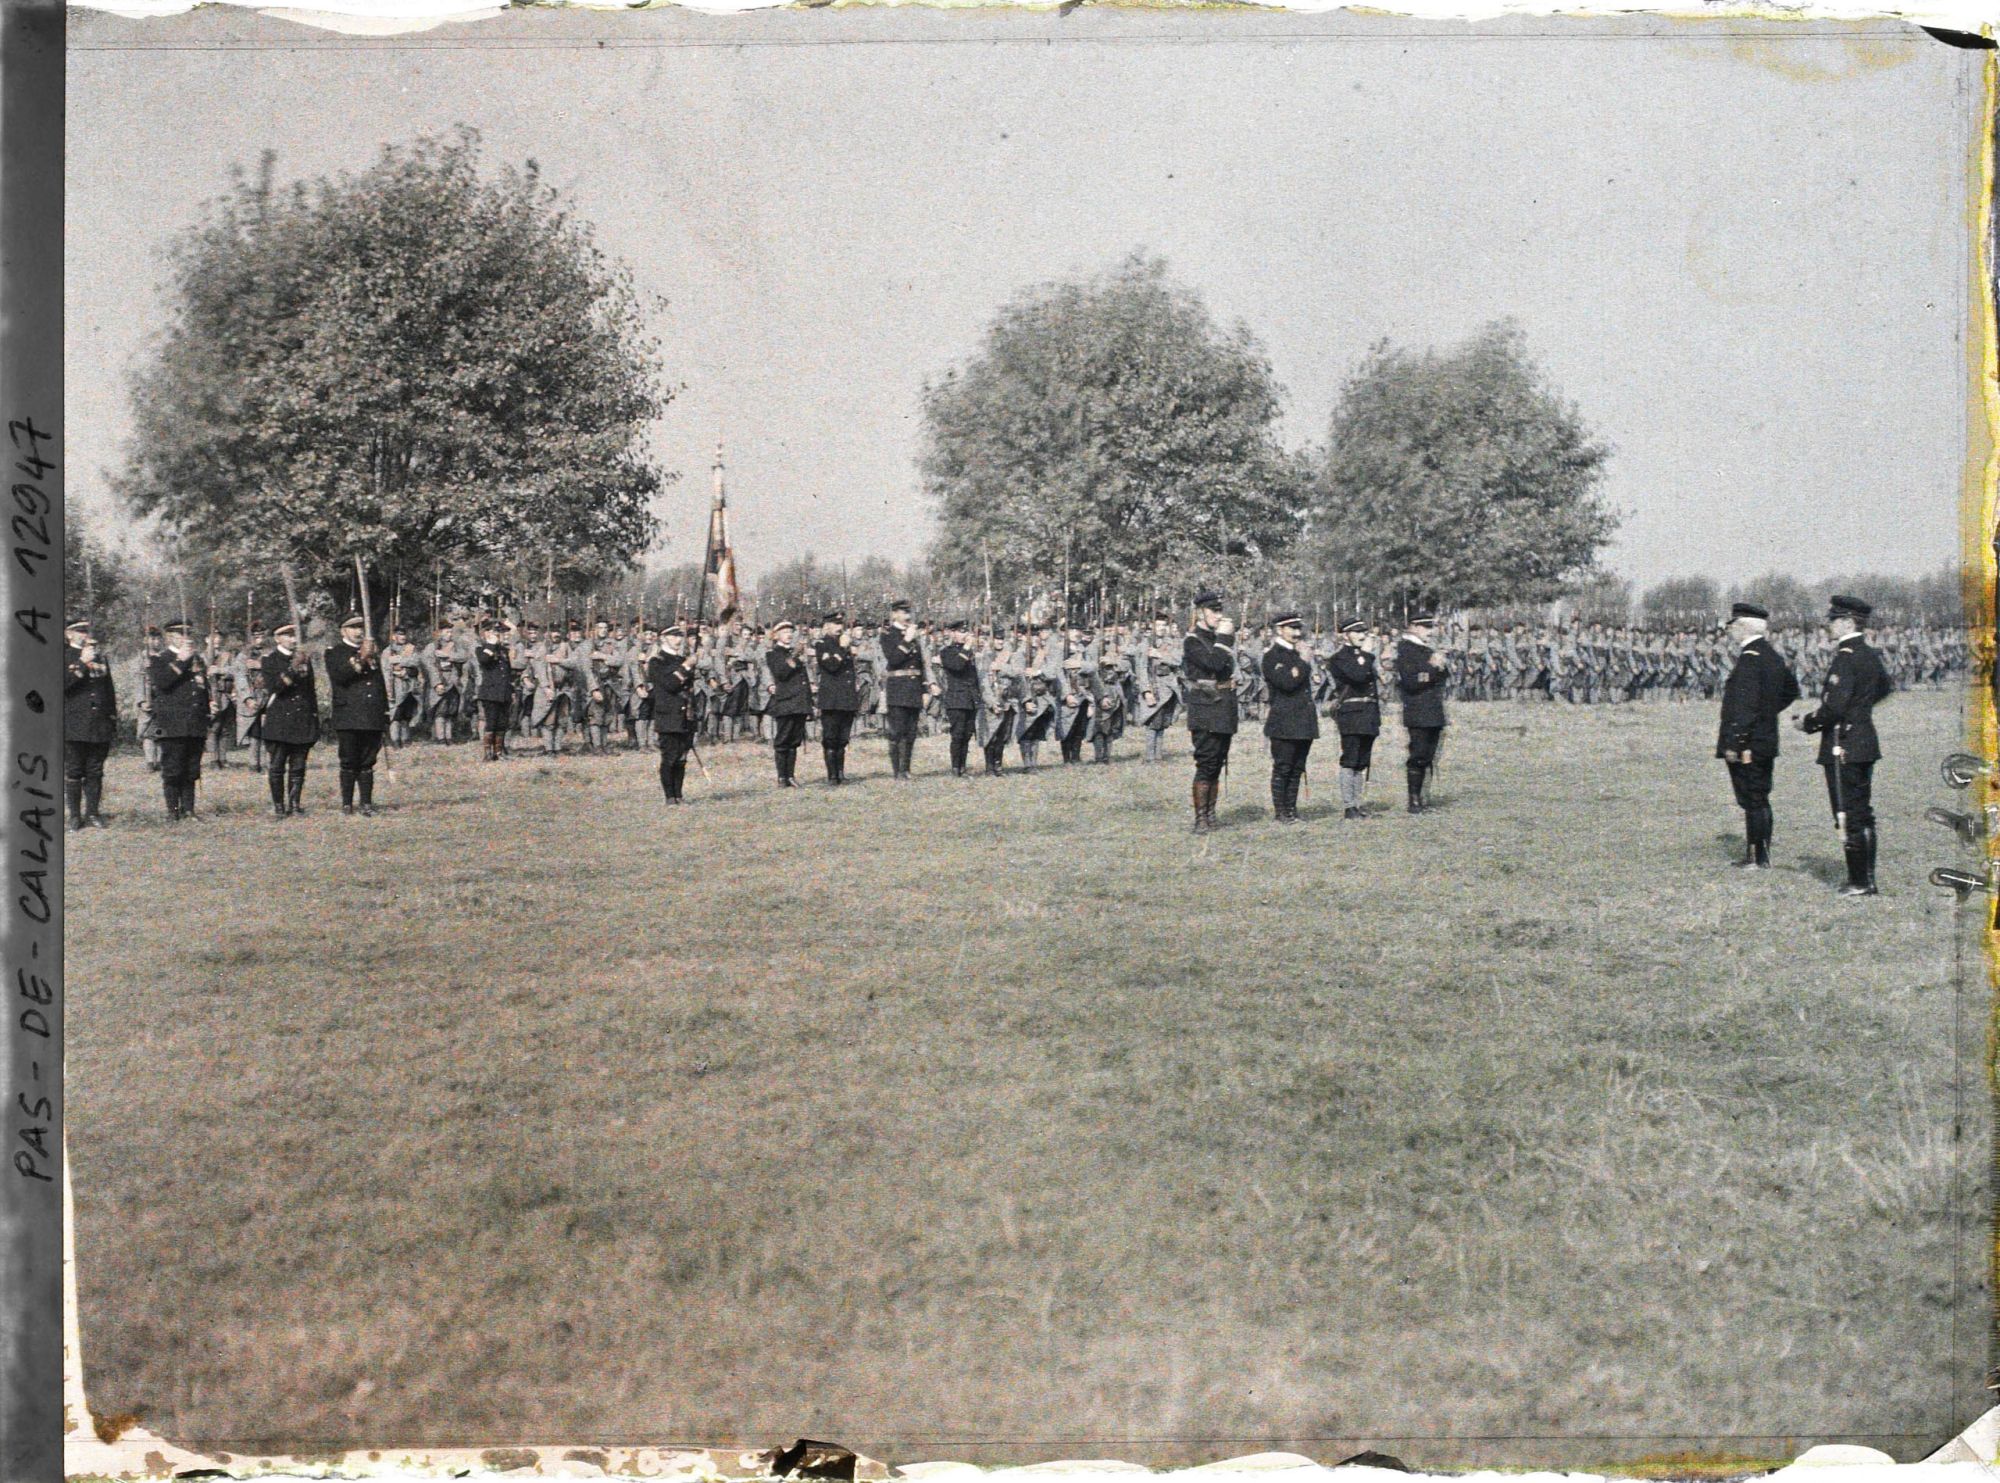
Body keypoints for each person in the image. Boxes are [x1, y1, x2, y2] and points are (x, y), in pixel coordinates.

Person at [1798, 594, 1894, 896]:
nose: (1829, 625)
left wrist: (1809, 723)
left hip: (1843, 743)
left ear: (1849, 622)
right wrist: (1860, 710)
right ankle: (1865, 878)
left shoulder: (1846, 656)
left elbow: (1835, 707)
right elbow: (1884, 687)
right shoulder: (1867, 653)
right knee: (1862, 811)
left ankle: (1859, 882)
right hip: (1863, 739)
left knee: (1848, 812)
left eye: (1834, 620)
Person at [1715, 600, 1800, 869]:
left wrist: (1735, 743)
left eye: (1733, 626)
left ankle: (1756, 857)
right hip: (1763, 738)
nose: (1730, 631)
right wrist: (1767, 714)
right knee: (1759, 796)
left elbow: (1744, 707)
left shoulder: (1751, 659)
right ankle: (1760, 854)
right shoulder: (1771, 655)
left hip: (1748, 743)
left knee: (1752, 799)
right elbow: (1790, 690)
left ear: (1743, 627)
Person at [1183, 592, 1239, 833]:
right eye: (1213, 611)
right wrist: (1225, 639)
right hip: (1205, 709)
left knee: (1218, 761)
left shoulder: (1217, 640)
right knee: (1206, 762)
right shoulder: (1193, 641)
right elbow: (1214, 664)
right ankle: (1201, 819)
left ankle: (1211, 814)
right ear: (1199, 613)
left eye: (1220, 611)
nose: (1219, 616)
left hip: (1222, 707)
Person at [326, 612, 389, 816]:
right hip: (349, 715)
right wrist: (361, 657)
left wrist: (384, 711)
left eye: (361, 627)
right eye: (353, 627)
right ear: (344, 630)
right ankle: (347, 803)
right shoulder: (335, 652)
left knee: (368, 760)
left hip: (371, 715)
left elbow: (379, 684)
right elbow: (341, 676)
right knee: (349, 759)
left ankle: (366, 803)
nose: (358, 631)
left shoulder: (373, 653)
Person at [148, 620, 211, 821]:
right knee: (173, 768)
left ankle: (189, 809)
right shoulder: (160, 659)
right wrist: (181, 660)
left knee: (192, 767)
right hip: (172, 723)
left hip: (195, 722)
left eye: (189, 634)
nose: (187, 638)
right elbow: (162, 683)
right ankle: (172, 811)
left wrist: (208, 708)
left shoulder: (197, 659)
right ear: (170, 637)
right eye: (182, 634)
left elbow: (202, 687)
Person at [1261, 611, 1318, 824]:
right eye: (1291, 628)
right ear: (1279, 630)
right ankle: (1281, 812)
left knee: (1298, 767)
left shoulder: (1299, 654)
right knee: (1283, 766)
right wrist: (1304, 662)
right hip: (1284, 720)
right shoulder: (1272, 656)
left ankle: (1292, 810)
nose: (1296, 633)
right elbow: (1287, 683)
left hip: (1303, 719)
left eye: (1298, 628)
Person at [62, 618, 117, 830]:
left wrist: (112, 718)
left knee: (95, 770)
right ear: (69, 634)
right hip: (75, 724)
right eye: (80, 631)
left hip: (99, 724)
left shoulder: (101, 657)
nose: (86, 635)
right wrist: (83, 663)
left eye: (87, 631)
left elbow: (108, 690)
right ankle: (75, 816)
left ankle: (93, 812)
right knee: (75, 770)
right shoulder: (64, 656)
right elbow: (62, 685)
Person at [261, 622, 319, 817]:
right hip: (279, 720)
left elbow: (311, 692)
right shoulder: (270, 660)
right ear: (278, 639)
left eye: (294, 636)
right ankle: (279, 806)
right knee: (277, 766)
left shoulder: (304, 659)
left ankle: (294, 804)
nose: (293, 639)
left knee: (298, 766)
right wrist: (293, 669)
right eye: (288, 636)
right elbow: (275, 688)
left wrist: (314, 718)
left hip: (302, 719)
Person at [1394, 612, 1449, 813]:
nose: (1430, 631)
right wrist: (1433, 667)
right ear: (1413, 627)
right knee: (1418, 755)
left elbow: (1443, 676)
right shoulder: (1406, 649)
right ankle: (1414, 801)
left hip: (1433, 710)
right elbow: (1411, 681)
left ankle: (1424, 798)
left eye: (1431, 627)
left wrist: (1439, 666)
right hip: (1418, 710)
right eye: (1426, 627)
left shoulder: (1425, 649)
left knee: (1429, 756)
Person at [1327, 618, 1381, 819]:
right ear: (1345, 635)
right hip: (1351, 713)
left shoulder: (1365, 656)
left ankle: (1358, 804)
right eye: (1356, 632)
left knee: (1362, 760)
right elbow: (1357, 676)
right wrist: (1366, 653)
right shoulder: (1338, 658)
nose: (1362, 636)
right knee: (1350, 759)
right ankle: (1349, 806)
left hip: (1368, 713)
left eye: (1363, 632)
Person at [648, 626, 699, 805]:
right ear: (663, 638)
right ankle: (670, 796)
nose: (678, 639)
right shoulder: (656, 661)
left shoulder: (682, 659)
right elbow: (670, 684)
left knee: (682, 757)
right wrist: (686, 666)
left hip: (686, 715)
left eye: (680, 636)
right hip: (668, 714)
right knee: (670, 757)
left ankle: (679, 794)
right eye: (673, 635)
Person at [881, 598, 927, 780]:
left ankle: (906, 769)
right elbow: (893, 659)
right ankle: (898, 771)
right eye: (903, 612)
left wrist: (924, 689)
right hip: (898, 688)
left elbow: (920, 664)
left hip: (913, 688)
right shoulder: (888, 634)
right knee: (897, 732)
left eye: (909, 612)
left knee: (911, 732)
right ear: (894, 614)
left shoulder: (914, 635)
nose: (907, 616)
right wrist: (907, 640)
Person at [813, 612, 861, 785]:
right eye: (835, 624)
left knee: (843, 738)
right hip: (831, 699)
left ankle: (841, 773)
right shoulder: (822, 644)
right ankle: (832, 775)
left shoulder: (845, 644)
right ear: (827, 626)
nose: (839, 627)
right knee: (831, 738)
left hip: (846, 698)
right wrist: (842, 649)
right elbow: (831, 666)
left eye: (840, 624)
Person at [765, 619, 813, 787]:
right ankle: (781, 777)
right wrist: (794, 656)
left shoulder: (795, 654)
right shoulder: (773, 654)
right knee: (783, 739)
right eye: (785, 632)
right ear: (776, 635)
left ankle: (790, 776)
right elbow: (781, 673)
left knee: (794, 740)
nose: (789, 635)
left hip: (799, 702)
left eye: (790, 632)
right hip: (785, 702)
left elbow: (804, 679)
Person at [473, 619, 516, 761]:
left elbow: (508, 671)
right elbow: (484, 660)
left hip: (504, 692)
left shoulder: (503, 650)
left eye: (500, 632)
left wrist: (512, 690)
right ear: (487, 633)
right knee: (491, 722)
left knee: (502, 723)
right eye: (496, 632)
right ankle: (488, 754)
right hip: (490, 693)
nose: (499, 635)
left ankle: (498, 753)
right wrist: (491, 644)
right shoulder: (482, 648)